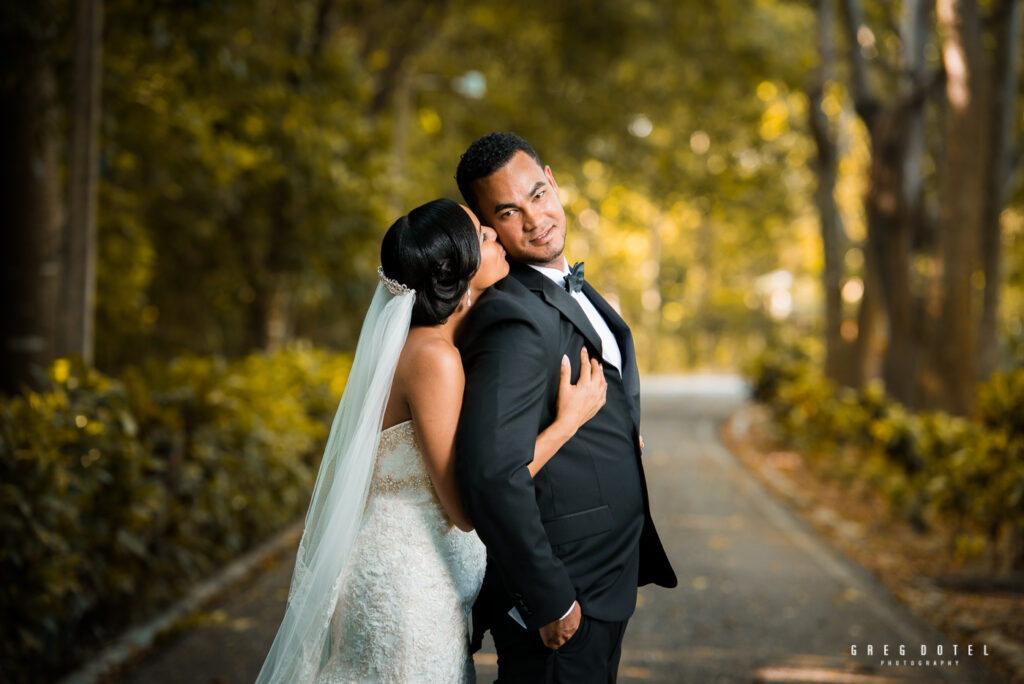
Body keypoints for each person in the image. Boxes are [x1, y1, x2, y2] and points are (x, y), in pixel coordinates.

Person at [255, 198, 606, 683]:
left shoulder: (424, 347)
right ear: (457, 274)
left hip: (407, 572)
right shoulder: (434, 360)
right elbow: (464, 507)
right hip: (406, 587)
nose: (496, 236)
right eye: (483, 236)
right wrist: (567, 424)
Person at [454, 133, 678, 683]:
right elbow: (490, 475)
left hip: (604, 577)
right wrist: (551, 601)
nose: (535, 219)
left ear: (553, 180)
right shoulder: (513, 317)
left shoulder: (563, 287)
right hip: (565, 592)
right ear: (488, 228)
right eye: (508, 212)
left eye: (537, 194)